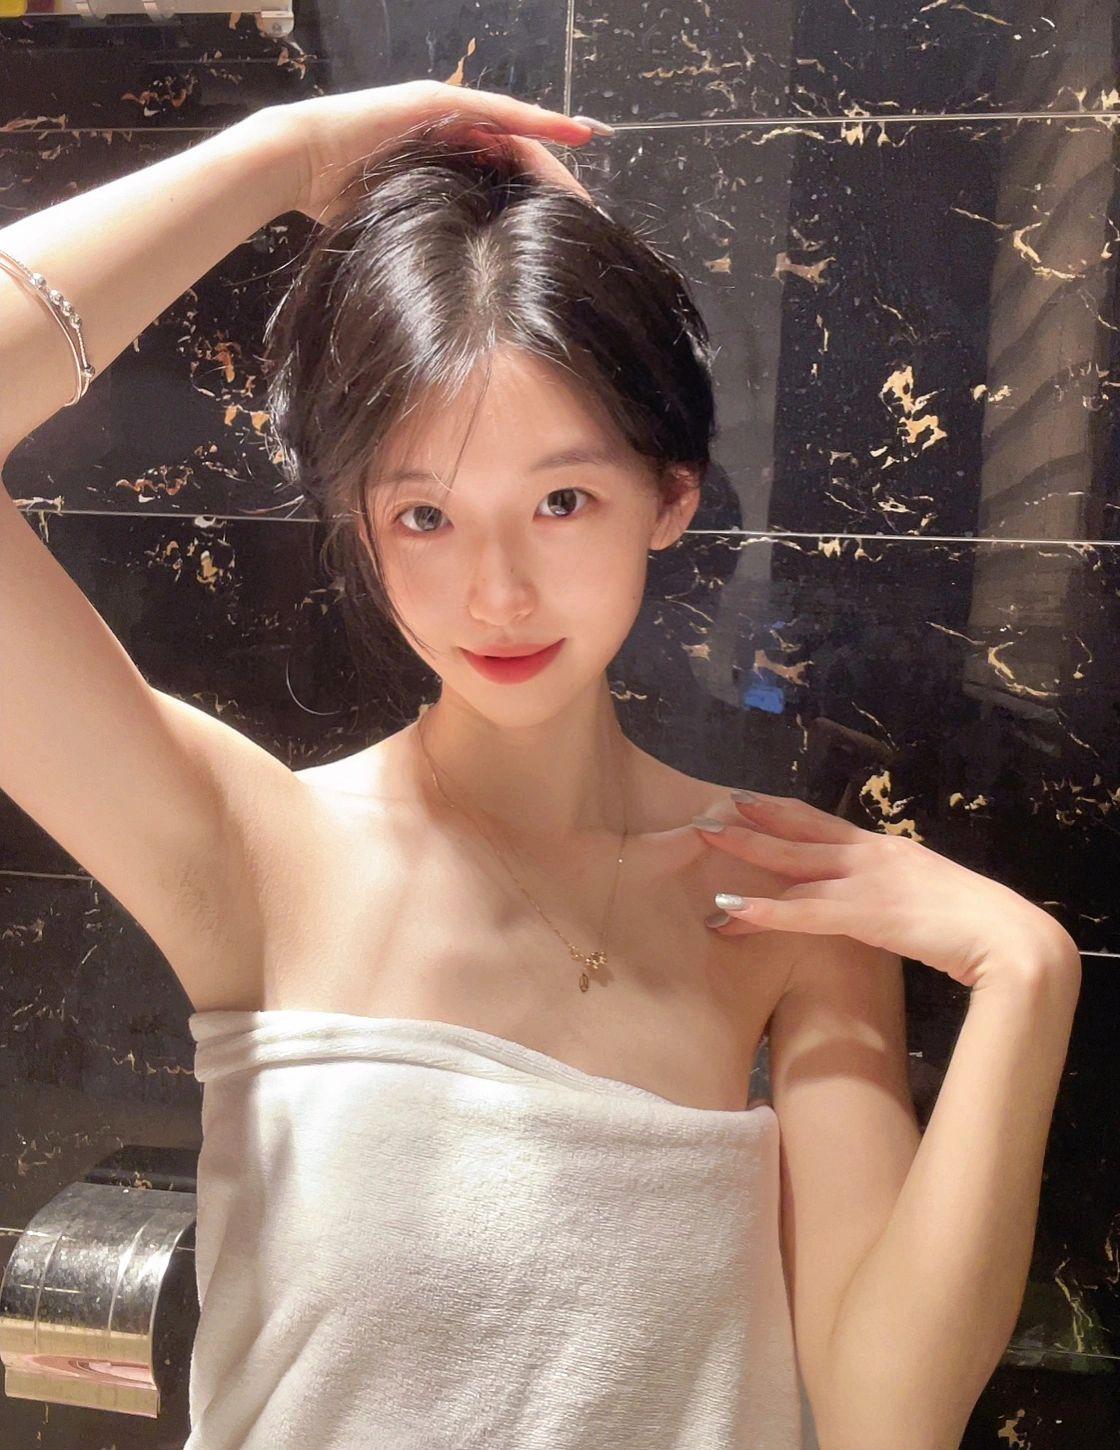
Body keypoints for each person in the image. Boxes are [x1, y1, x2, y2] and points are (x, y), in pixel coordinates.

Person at [0, 79, 1080, 1450]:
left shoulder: (783, 900)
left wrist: (1026, 972)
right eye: (426, 514)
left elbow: (891, 1417)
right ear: (362, 525)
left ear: (669, 495)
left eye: (562, 499)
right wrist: (286, 154)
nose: (498, 593)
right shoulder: (255, 850)